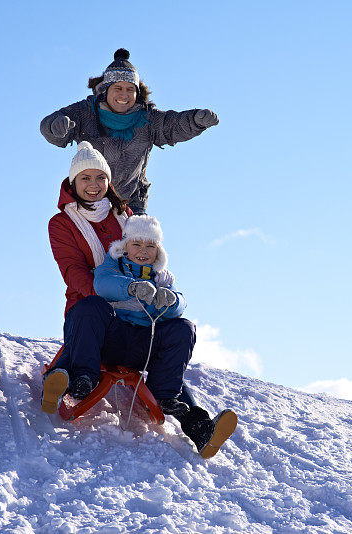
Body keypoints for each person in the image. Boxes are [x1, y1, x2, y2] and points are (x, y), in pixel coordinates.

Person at [43, 142, 237, 458]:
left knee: (175, 343)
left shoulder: (126, 216)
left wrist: (160, 302)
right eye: (85, 179)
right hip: (93, 308)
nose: (93, 186)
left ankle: (200, 429)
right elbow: (74, 271)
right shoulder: (63, 223)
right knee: (90, 315)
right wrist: (119, 297)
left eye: (100, 178)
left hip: (140, 323)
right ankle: (67, 382)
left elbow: (165, 282)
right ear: (73, 183)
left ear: (109, 182)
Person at [40, 48, 219, 215]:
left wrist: (196, 120)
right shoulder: (86, 112)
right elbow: (50, 125)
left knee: (138, 246)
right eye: (118, 88)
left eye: (130, 90)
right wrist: (55, 127)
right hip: (90, 195)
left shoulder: (147, 119)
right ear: (105, 91)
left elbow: (172, 125)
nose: (124, 95)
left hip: (131, 202)